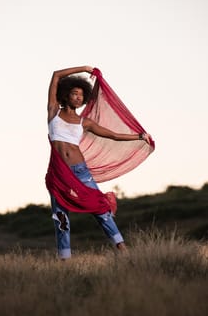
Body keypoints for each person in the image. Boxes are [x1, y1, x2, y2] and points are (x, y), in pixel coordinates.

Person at [46, 65, 151, 259]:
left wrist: (139, 136)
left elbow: (112, 135)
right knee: (61, 218)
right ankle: (64, 260)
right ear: (65, 94)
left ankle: (122, 250)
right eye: (74, 93)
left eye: (81, 95)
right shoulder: (53, 111)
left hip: (80, 172)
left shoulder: (84, 122)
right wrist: (84, 68)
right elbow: (56, 75)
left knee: (101, 209)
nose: (78, 97)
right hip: (59, 173)